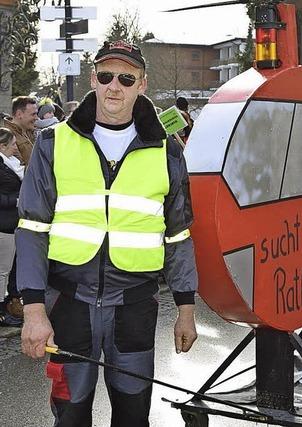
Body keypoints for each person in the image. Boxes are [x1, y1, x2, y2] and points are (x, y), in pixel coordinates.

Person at [16, 40, 199, 426]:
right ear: (93, 79)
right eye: (106, 75)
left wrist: (186, 308)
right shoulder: (53, 143)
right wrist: (33, 309)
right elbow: (32, 229)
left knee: (133, 416)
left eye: (126, 77)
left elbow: (179, 235)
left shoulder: (167, 151)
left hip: (134, 306)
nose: (115, 86)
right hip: (69, 305)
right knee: (71, 413)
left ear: (142, 84)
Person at [0, 128, 23, 326]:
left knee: (8, 269)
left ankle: (8, 304)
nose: (16, 147)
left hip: (12, 223)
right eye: (13, 144)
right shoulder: (2, 165)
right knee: (3, 270)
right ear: (2, 146)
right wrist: (16, 200)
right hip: (3, 225)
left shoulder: (12, 164)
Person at [5, 96, 37, 165]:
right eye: (33, 114)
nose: (36, 118)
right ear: (19, 114)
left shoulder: (30, 131)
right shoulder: (7, 136)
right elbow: (18, 168)